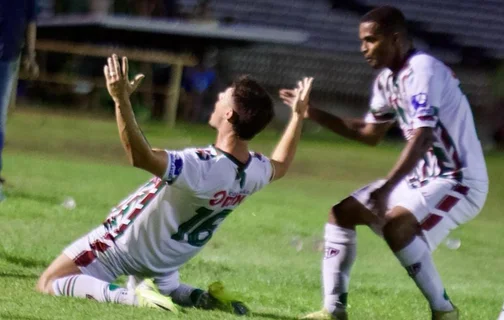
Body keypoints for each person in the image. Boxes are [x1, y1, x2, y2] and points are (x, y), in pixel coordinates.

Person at [36, 53, 314, 314]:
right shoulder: (254, 170)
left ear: (229, 115)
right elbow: (283, 164)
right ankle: (200, 297)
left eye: (224, 97)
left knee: (50, 281)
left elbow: (140, 156)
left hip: (124, 247)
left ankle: (133, 298)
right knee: (164, 282)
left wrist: (121, 100)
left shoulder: (202, 164)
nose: (217, 98)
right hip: (167, 260)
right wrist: (298, 116)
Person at [280, 6, 488, 320]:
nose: (364, 47)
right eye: (362, 40)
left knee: (396, 226)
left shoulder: (423, 70)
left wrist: (387, 188)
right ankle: (333, 310)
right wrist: (312, 113)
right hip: (424, 178)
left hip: (459, 180)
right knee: (341, 213)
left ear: (395, 39)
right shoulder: (387, 81)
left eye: (371, 40)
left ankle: (445, 313)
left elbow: (423, 137)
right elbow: (369, 133)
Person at [0, 0, 39, 201]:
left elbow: (30, 20)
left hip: (9, 57)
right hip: (8, 55)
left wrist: (30, 56)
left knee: (1, 121)